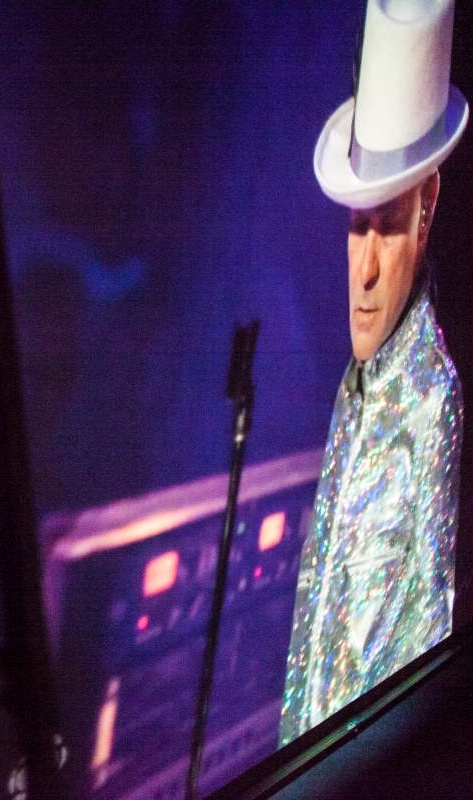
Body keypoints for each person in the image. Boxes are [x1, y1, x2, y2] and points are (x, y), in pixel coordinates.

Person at [281, 0, 465, 743]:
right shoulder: (357, 390)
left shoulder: (433, 408)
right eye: (357, 227)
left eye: (386, 226)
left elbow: (417, 713)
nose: (362, 271)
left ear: (428, 208)